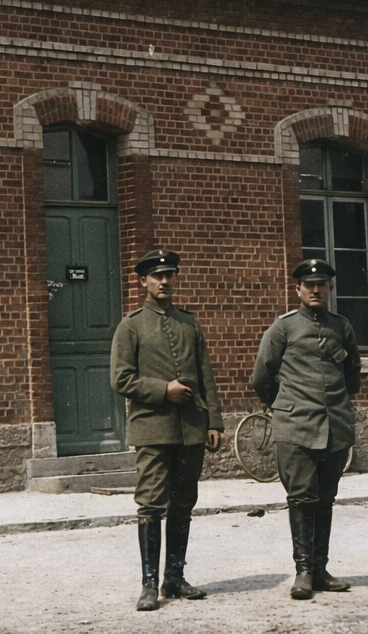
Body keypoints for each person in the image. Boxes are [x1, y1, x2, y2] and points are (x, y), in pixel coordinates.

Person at [110, 249, 225, 611]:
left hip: (190, 429)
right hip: (152, 429)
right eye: (156, 276)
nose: (164, 281)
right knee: (150, 505)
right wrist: (164, 390)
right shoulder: (131, 325)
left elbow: (206, 375)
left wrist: (215, 421)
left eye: (169, 275)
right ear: (142, 281)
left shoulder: (188, 323)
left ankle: (174, 577)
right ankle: (149, 584)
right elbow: (121, 378)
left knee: (183, 504)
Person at [251, 258, 363, 600]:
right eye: (308, 285)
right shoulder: (283, 328)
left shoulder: (341, 327)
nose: (315, 290)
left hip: (334, 428)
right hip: (295, 429)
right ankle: (302, 571)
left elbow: (352, 376)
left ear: (329, 288)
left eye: (322, 284)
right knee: (301, 498)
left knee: (326, 498)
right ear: (298, 289)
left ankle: (320, 569)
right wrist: (286, 406)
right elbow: (261, 378)